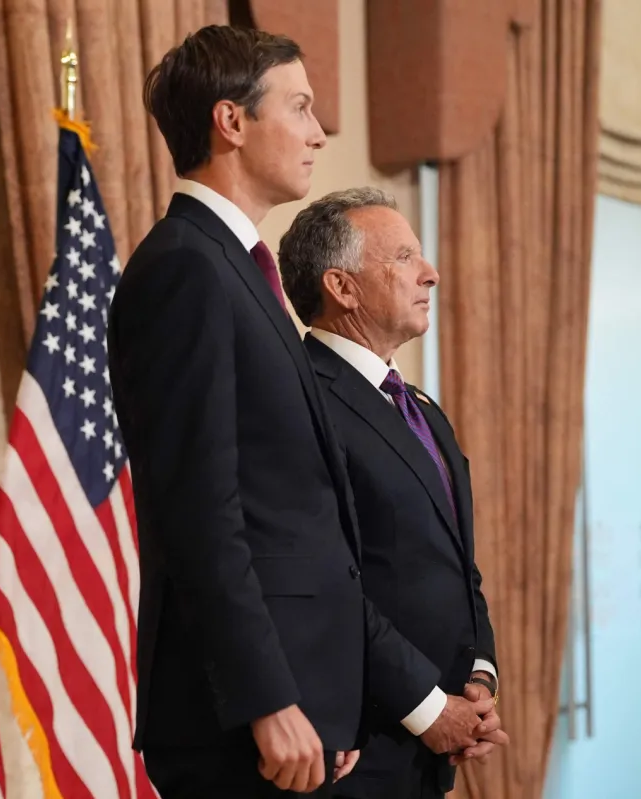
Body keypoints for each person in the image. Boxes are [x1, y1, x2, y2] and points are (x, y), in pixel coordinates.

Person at [108, 25, 492, 798]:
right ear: (232, 121)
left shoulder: (236, 270)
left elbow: (298, 521)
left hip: (305, 714)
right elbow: (201, 512)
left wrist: (328, 694)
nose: (320, 132)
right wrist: (267, 698)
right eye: (302, 107)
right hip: (241, 721)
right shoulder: (187, 267)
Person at [277, 187, 509, 799]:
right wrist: (429, 709)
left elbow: (459, 565)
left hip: (431, 748)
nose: (430, 274)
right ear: (343, 287)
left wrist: (478, 677)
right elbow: (329, 582)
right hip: (356, 748)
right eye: (404, 258)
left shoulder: (422, 410)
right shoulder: (305, 403)